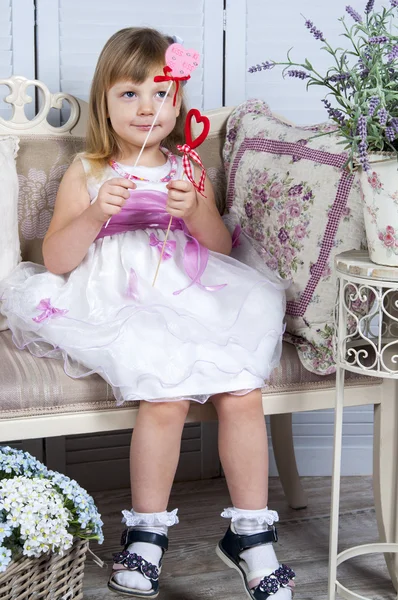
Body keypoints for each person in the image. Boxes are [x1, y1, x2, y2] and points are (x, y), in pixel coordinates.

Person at [0, 27, 295, 599]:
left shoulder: (186, 167)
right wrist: (94, 215)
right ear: (104, 104)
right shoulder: (88, 169)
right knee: (164, 394)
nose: (146, 108)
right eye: (128, 94)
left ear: (178, 102)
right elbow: (57, 259)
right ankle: (146, 536)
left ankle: (252, 534)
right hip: (117, 299)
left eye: (161, 93)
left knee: (244, 391)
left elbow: (219, 247)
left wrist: (193, 210)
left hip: (191, 291)